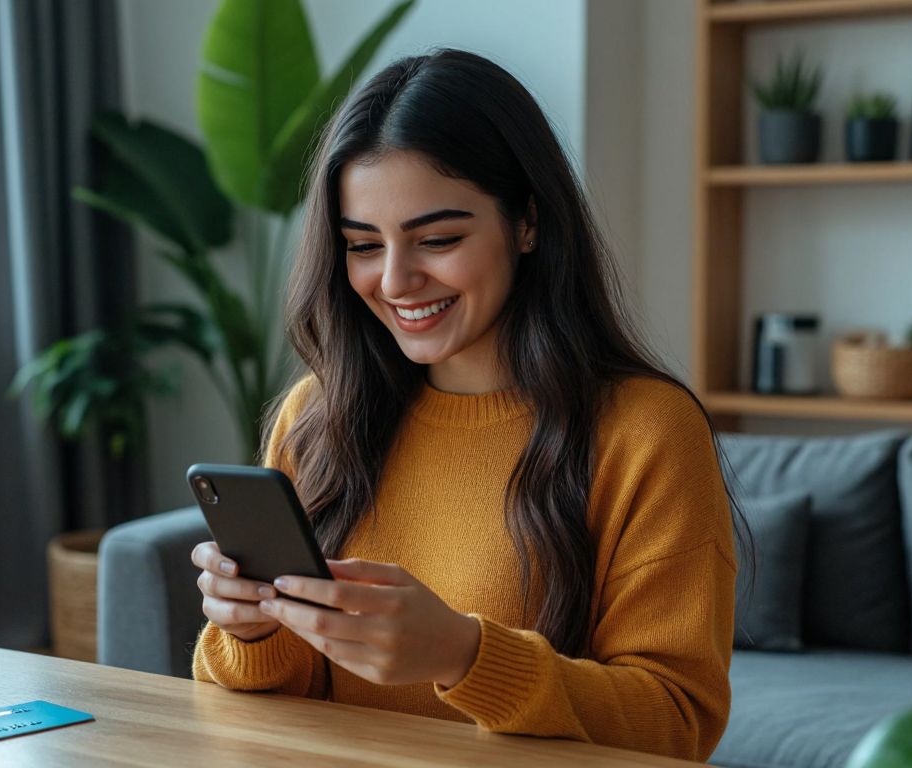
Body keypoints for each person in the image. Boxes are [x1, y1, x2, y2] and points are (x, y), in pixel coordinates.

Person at [189, 49, 748, 762]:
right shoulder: (318, 416)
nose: (395, 280)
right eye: (363, 245)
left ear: (528, 222)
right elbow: (264, 708)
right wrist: (251, 631)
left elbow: (677, 723)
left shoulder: (645, 432)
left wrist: (464, 655)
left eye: (439, 239)